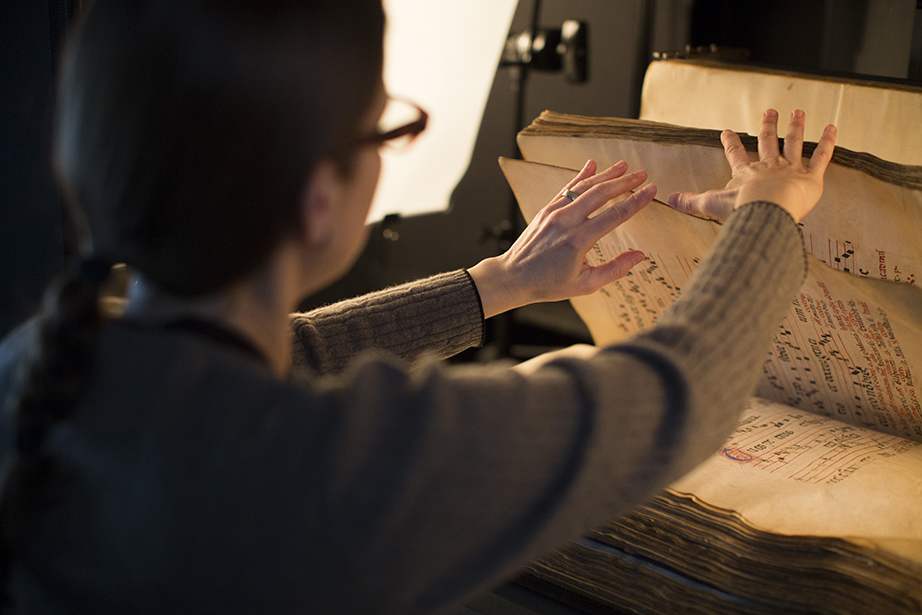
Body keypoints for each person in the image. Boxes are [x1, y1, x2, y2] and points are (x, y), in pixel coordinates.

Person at [0, 0, 836, 613]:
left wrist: (494, 284)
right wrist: (770, 207)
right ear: (319, 196)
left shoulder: (40, 364)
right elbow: (677, 397)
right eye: (384, 127)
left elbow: (278, 358)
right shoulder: (335, 466)